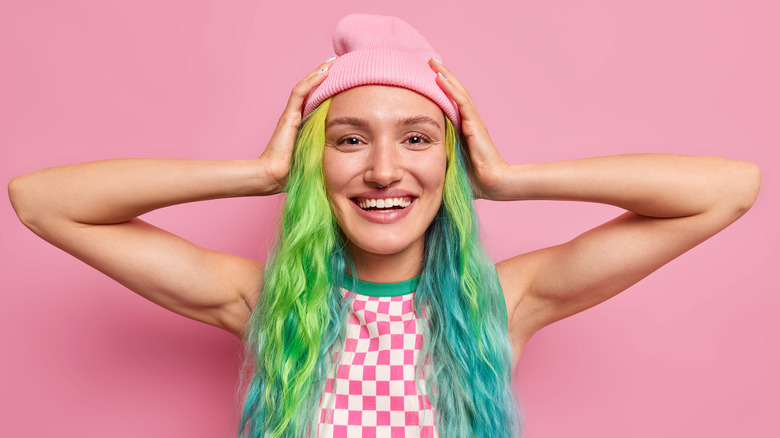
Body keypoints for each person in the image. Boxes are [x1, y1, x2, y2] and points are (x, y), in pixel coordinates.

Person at [7, 13, 760, 438]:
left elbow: (727, 190)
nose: (383, 170)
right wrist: (258, 173)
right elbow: (42, 201)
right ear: (318, 164)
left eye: (417, 138)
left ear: (449, 160)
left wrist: (506, 179)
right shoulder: (265, 302)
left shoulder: (501, 304)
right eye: (349, 138)